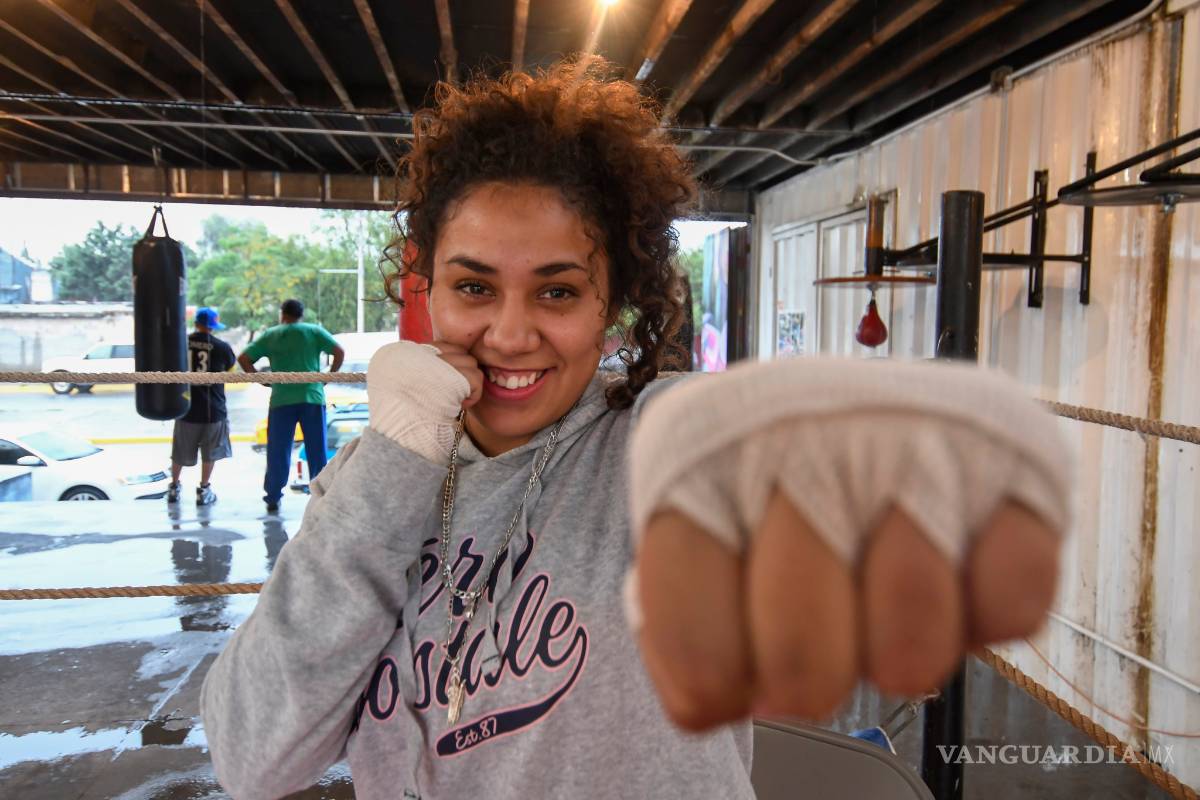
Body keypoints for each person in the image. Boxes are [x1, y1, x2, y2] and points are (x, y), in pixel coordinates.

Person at [201, 62, 1071, 799]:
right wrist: (392, 460)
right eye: (474, 288)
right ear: (425, 288)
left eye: (557, 291)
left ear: (611, 304)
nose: (509, 333)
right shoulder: (367, 476)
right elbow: (254, 757)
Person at [237, 299, 344, 514]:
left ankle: (273, 497)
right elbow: (339, 352)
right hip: (311, 397)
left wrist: (261, 379)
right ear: (301, 314)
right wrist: (328, 376)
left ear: (282, 314)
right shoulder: (313, 331)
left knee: (278, 450)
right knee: (317, 450)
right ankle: (321, 495)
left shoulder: (271, 334)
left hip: (281, 399)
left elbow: (243, 358)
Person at [167, 307, 236, 506]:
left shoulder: (181, 344)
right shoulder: (222, 347)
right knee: (210, 452)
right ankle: (203, 489)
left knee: (179, 451)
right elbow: (232, 374)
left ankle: (173, 487)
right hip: (213, 410)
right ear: (213, 327)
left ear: (196, 323)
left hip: (185, 407)